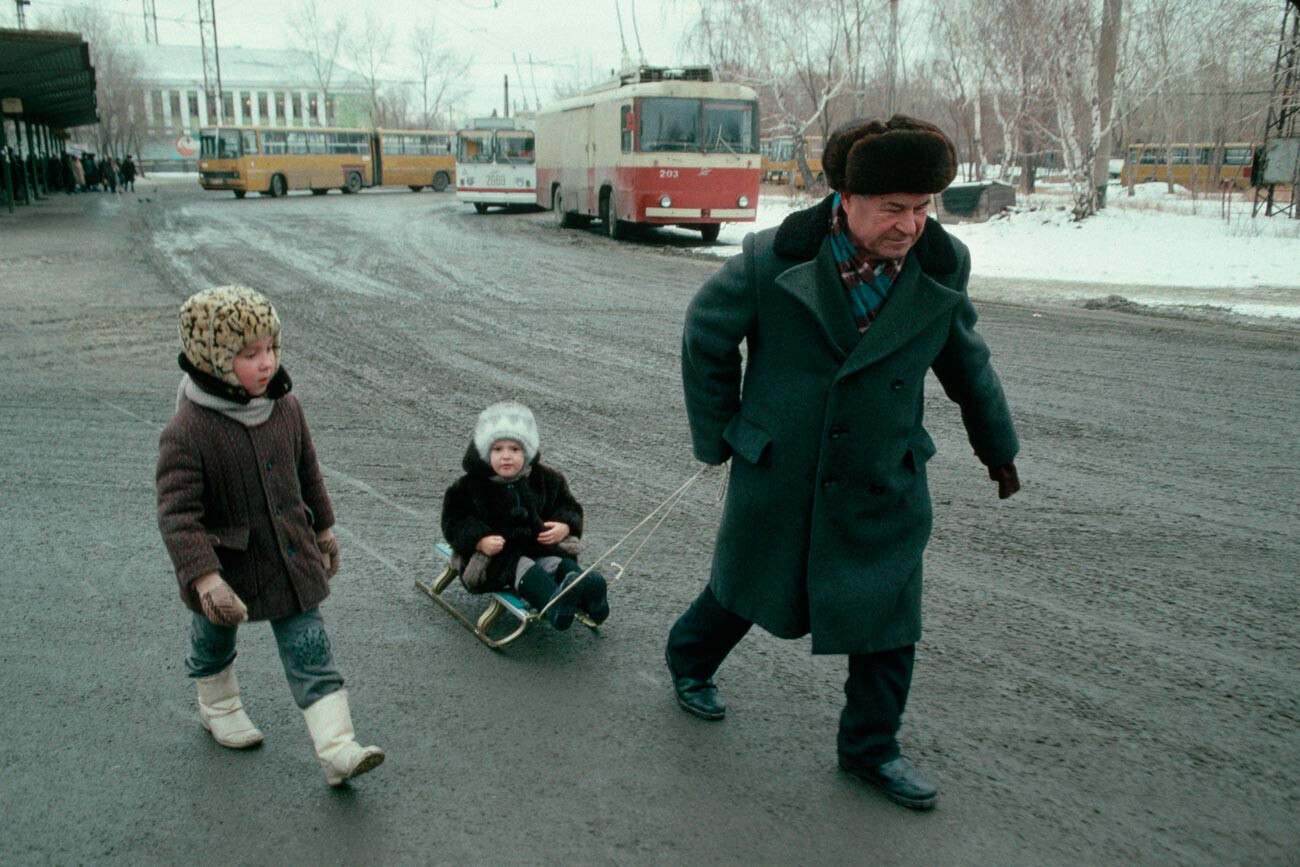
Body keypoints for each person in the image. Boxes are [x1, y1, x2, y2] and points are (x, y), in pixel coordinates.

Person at [664, 115, 1021, 811]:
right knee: (748, 584)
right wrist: (723, 432)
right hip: (784, 467)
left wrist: (997, 447)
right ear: (845, 198)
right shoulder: (775, 259)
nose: (911, 225)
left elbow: (966, 362)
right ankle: (690, 658)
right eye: (894, 209)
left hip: (883, 473)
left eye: (922, 208)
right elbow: (706, 333)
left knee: (889, 612)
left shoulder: (941, 267)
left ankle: (870, 747)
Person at [156, 285, 384, 786]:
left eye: (271, 349)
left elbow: (309, 472)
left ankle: (337, 748)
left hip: (289, 554)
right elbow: (177, 515)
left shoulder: (286, 406)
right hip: (227, 565)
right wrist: (205, 580)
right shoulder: (188, 429)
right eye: (249, 354)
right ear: (214, 360)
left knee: (310, 645)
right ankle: (218, 705)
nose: (266, 363)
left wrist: (324, 529)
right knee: (214, 637)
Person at [440, 401, 609, 630]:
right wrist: (479, 540)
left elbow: (569, 506)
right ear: (483, 452)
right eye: (497, 450)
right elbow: (455, 522)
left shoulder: (545, 479)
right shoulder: (468, 487)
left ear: (527, 451)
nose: (506, 457)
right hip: (495, 561)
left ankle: (590, 596)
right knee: (522, 565)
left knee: (558, 563)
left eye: (515, 449)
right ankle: (554, 606)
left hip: (538, 547)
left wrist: (565, 526)